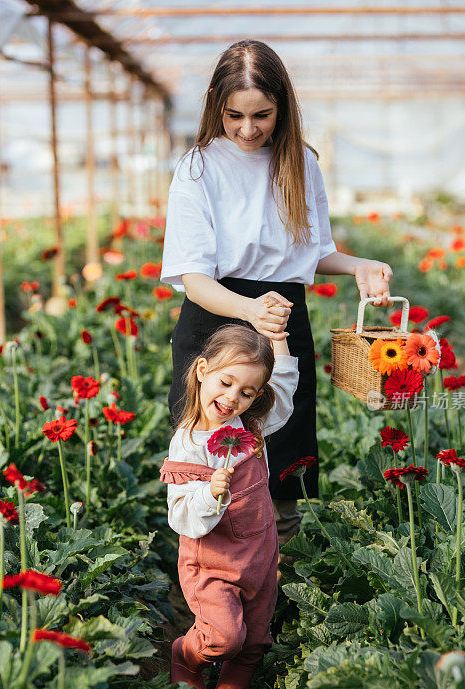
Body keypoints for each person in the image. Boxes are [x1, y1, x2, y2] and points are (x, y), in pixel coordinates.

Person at [161, 39, 393, 552]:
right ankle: (209, 597)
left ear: (282, 107)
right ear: (216, 107)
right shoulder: (198, 168)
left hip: (283, 324)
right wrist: (249, 310)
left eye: (261, 115)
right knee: (209, 463)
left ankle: (278, 596)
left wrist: (360, 266)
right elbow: (194, 278)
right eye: (234, 115)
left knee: (282, 455)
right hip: (216, 323)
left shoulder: (301, 163)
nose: (248, 129)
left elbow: (314, 252)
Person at [159, 324, 298, 689]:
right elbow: (180, 515)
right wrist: (209, 493)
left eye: (247, 391)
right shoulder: (187, 446)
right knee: (224, 637)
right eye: (226, 382)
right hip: (212, 563)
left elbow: (286, 388)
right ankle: (186, 654)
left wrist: (279, 335)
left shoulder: (250, 426)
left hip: (258, 557)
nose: (232, 398)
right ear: (202, 370)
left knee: (253, 641)